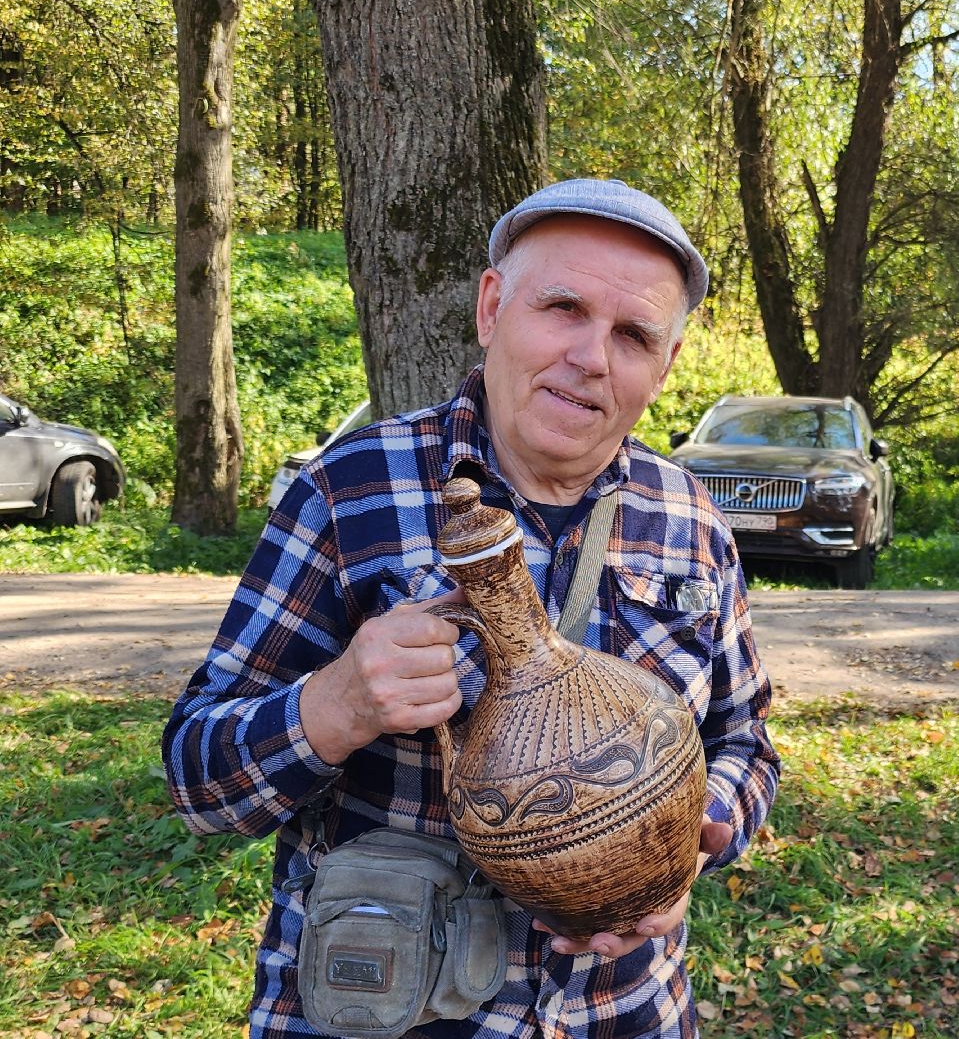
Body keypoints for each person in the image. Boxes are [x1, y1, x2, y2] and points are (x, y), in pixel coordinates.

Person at [162, 178, 782, 1038]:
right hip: (389, 1015)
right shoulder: (350, 494)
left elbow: (746, 741)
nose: (592, 357)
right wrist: (334, 707)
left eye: (633, 334)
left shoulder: (693, 524)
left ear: (665, 365)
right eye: (562, 307)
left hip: (625, 1014)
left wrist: (693, 837)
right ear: (494, 308)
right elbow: (197, 782)